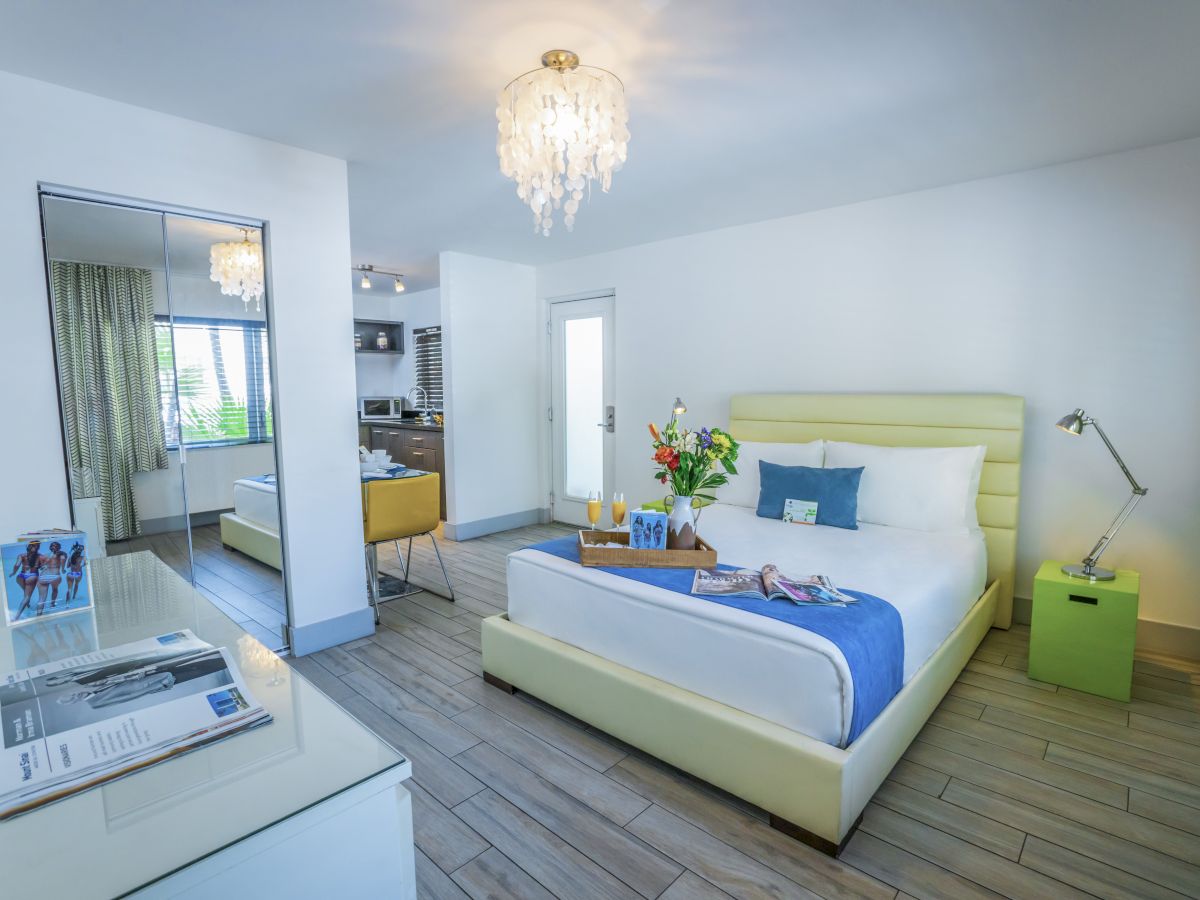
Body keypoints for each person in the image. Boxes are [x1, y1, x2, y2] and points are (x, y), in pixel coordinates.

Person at [9, 540, 42, 620]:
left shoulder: (22, 555)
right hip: (32, 576)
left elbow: (17, 565)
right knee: (27, 596)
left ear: (29, 546)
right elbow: (41, 567)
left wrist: (13, 573)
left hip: (20, 576)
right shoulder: (40, 556)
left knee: (26, 591)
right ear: (38, 547)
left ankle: (28, 605)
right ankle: (16, 617)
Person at [36, 541, 67, 613]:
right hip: (55, 576)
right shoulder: (61, 555)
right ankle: (52, 604)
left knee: (41, 598)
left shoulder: (46, 555)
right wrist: (62, 569)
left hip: (44, 575)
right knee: (55, 589)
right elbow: (63, 563)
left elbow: (41, 567)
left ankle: (39, 614)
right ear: (59, 547)